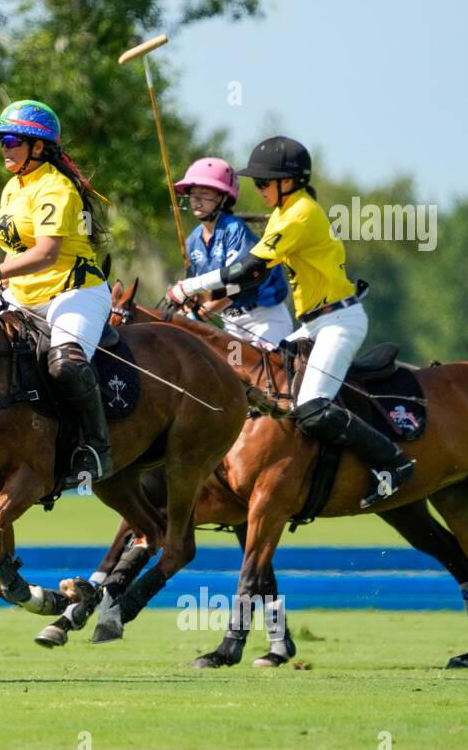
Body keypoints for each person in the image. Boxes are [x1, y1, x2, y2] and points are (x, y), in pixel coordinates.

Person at [167, 136, 414, 508]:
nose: (259, 190)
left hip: (339, 322)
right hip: (313, 323)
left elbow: (247, 267)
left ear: (288, 182)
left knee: (311, 408)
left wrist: (190, 285)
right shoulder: (284, 213)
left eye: (264, 183)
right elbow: (250, 277)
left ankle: (394, 462)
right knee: (271, 386)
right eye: (257, 184)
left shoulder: (300, 213)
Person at [0, 100, 113, 484]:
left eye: (12, 140)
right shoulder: (13, 187)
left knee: (64, 364)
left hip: (74, 291)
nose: (5, 147)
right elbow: (16, 247)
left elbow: (47, 252)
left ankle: (96, 449)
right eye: (1, 140)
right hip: (23, 293)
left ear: (38, 146)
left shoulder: (56, 188)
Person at [173, 157, 293, 346]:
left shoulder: (235, 230)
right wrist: (188, 302)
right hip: (231, 323)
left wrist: (199, 315)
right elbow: (204, 291)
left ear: (222, 197)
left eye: (204, 193)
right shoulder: (193, 240)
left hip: (264, 318)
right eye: (193, 193)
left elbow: (237, 285)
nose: (196, 199)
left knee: (267, 373)